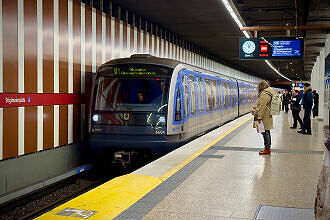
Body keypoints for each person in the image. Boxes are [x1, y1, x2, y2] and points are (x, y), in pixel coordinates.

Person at [253, 80, 275, 155]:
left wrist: (259, 117)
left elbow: (262, 106)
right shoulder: (268, 92)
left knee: (265, 132)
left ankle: (267, 148)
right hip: (266, 116)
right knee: (266, 131)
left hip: (264, 116)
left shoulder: (264, 94)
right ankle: (267, 147)